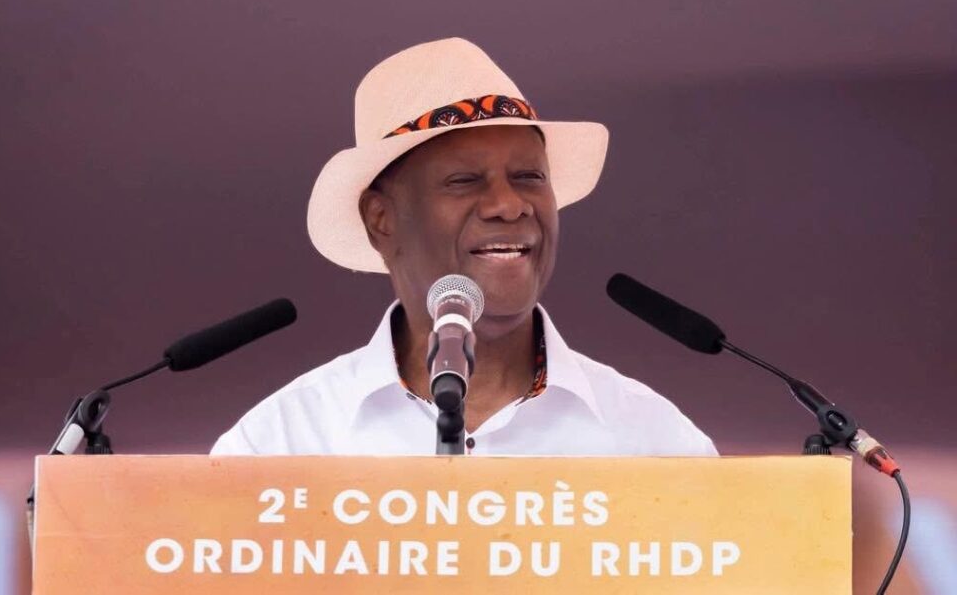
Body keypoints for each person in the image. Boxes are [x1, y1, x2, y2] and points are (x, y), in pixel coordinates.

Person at [212, 38, 716, 456]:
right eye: (463, 181)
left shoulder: (655, 442)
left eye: (529, 177)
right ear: (381, 220)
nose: (509, 205)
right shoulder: (280, 444)